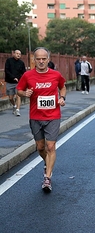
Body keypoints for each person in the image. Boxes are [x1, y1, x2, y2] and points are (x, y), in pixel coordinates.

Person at [16, 47, 67, 192]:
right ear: (34, 60)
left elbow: (63, 87)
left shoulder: (56, 75)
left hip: (53, 116)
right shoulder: (27, 75)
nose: (41, 61)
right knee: (40, 147)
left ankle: (47, 178)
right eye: (38, 59)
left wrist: (62, 98)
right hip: (36, 116)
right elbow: (19, 90)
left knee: (50, 147)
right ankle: (48, 162)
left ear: (48, 59)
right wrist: (25, 93)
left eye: (44, 59)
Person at [5, 49, 26, 116]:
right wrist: (13, 77)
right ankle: (14, 105)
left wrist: (24, 80)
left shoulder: (21, 63)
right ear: (14, 54)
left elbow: (24, 73)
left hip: (18, 82)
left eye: (19, 54)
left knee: (18, 96)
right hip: (10, 81)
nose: (18, 55)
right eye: (17, 53)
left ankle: (17, 110)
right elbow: (6, 70)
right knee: (10, 98)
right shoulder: (9, 61)